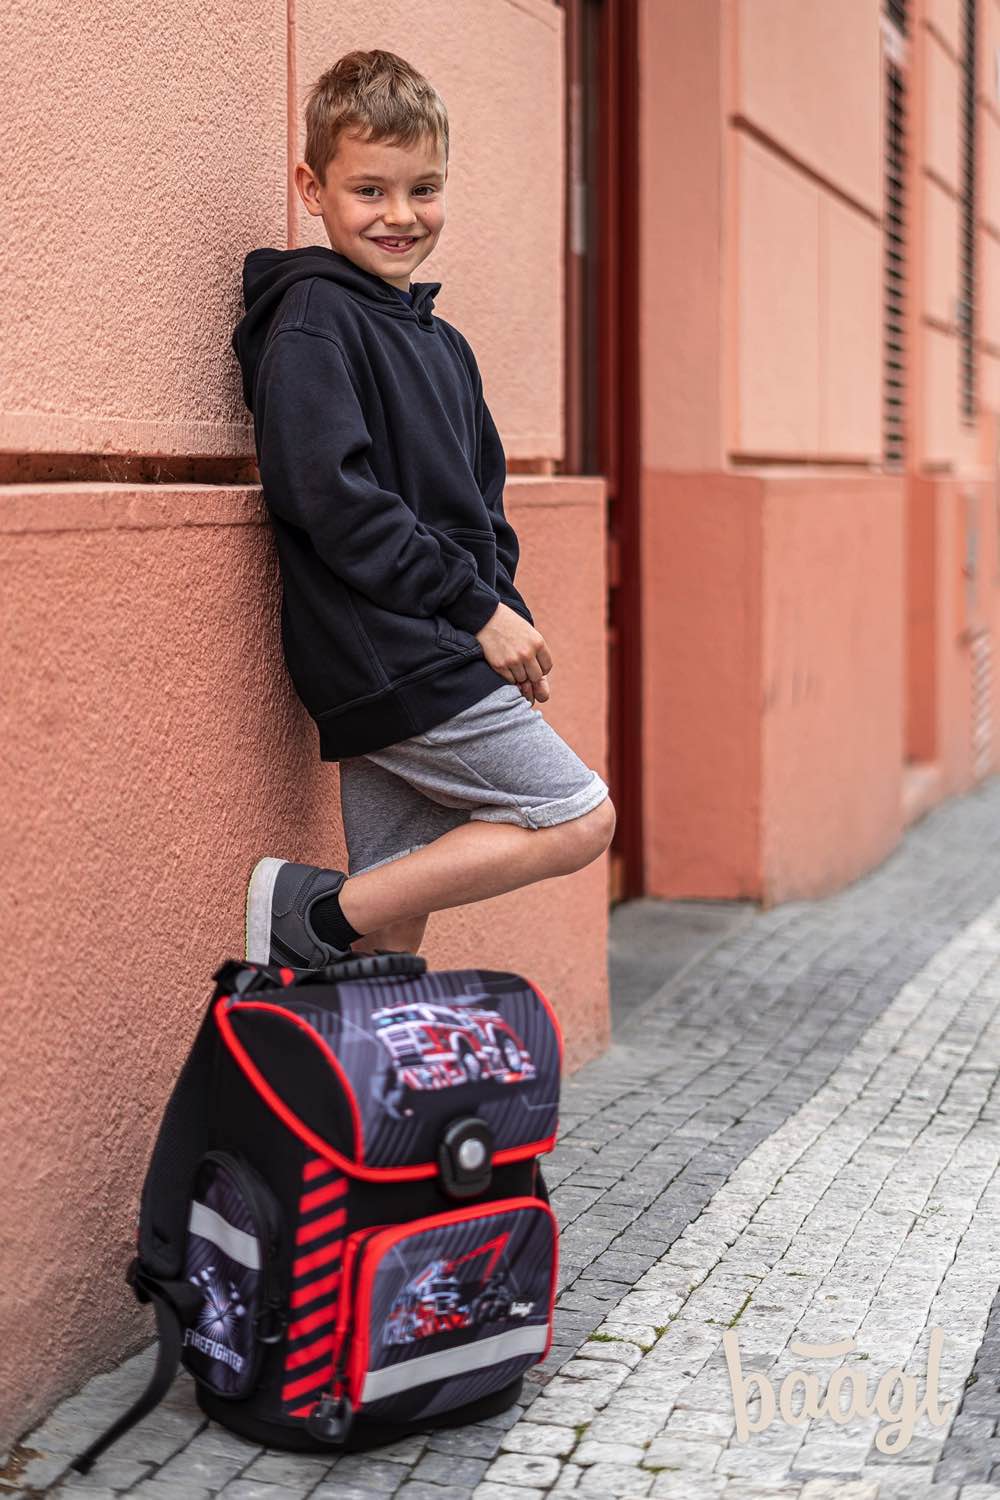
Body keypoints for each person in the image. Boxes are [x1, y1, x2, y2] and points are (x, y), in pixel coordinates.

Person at [231, 48, 616, 965]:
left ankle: (334, 1047)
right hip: (390, 649)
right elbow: (332, 498)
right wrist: (476, 610)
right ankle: (311, 919)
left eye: (423, 190)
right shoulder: (313, 320)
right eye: (370, 190)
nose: (400, 216)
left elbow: (484, 509)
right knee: (577, 816)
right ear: (313, 189)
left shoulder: (443, 345)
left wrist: (501, 612)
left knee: (395, 924)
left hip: (434, 642)